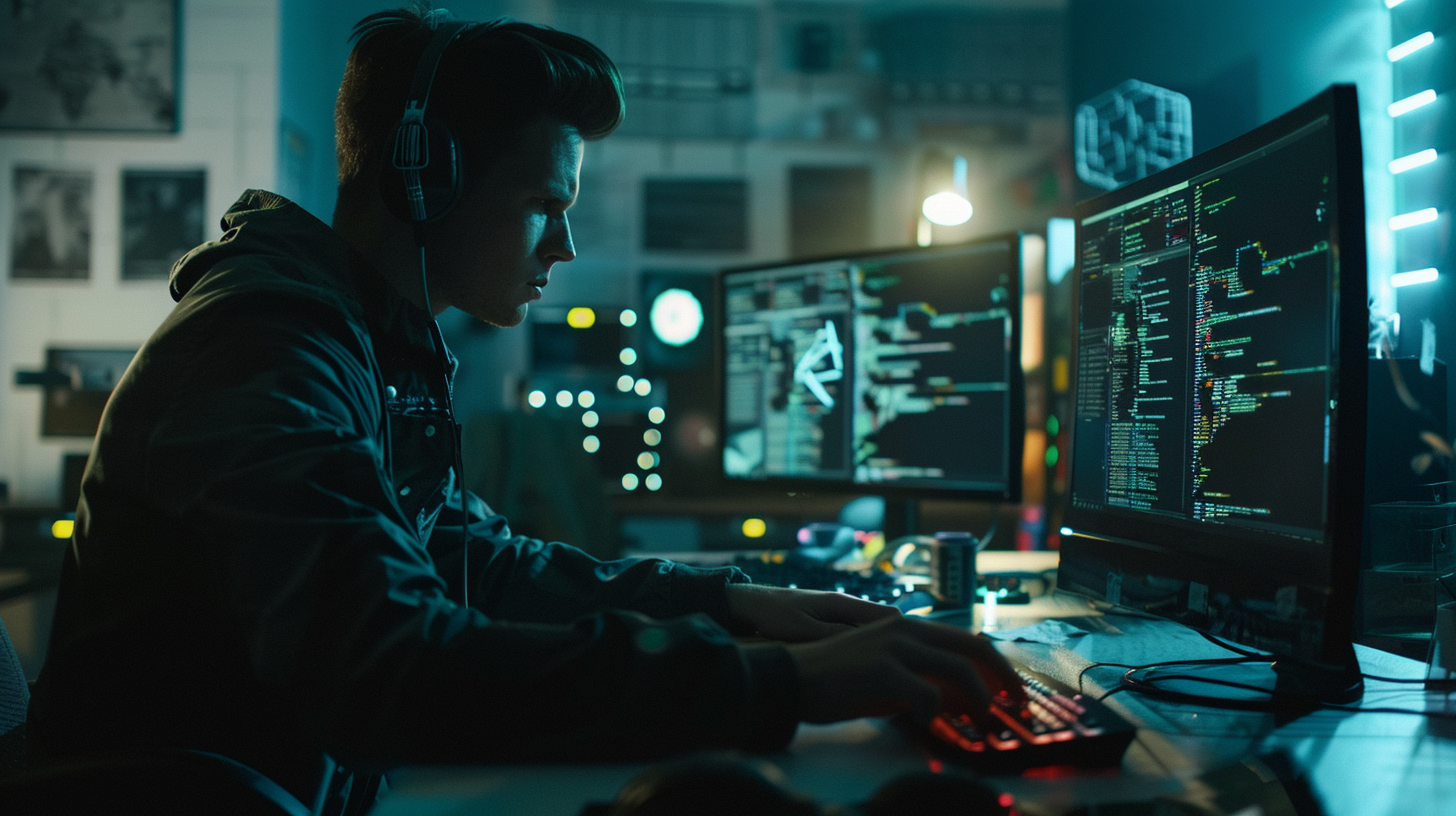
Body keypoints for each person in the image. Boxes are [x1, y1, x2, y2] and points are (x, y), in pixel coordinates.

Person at [27, 5, 1022, 813]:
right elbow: (393, 673)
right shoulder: (262, 352)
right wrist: (785, 686)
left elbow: (483, 562)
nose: (566, 247)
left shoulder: (364, 343)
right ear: (427, 179)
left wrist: (725, 602)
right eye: (545, 205)